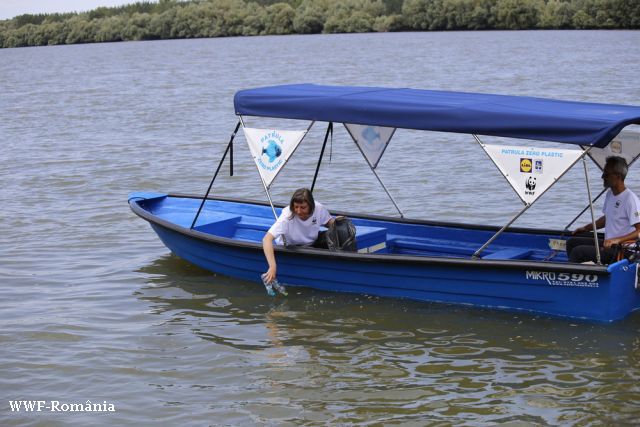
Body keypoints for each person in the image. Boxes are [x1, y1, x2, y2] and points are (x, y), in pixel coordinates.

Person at [566, 156, 640, 264]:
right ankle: (582, 274)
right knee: (572, 242)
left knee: (578, 252)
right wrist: (586, 228)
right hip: (609, 245)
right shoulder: (610, 193)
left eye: (606, 174)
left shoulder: (630, 200)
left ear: (618, 177)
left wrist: (616, 240)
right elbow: (607, 218)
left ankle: (570, 277)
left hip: (623, 250)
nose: (602, 177)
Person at [262, 188, 341, 284]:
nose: (298, 211)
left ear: (311, 206)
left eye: (303, 207)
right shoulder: (286, 217)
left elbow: (328, 222)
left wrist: (338, 223)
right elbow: (267, 239)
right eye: (296, 207)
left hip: (312, 242)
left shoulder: (319, 208)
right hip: (292, 246)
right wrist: (272, 267)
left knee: (339, 234)